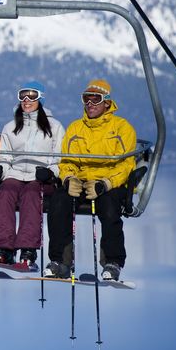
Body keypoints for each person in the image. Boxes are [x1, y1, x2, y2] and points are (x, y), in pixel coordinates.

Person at [44, 78, 137, 281]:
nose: (90, 104)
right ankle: (61, 261)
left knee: (110, 205)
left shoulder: (122, 128)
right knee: (59, 201)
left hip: (110, 183)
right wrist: (69, 178)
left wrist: (106, 183)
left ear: (107, 102)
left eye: (96, 99)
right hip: (83, 181)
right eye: (86, 99)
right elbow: (67, 160)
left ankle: (112, 262)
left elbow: (126, 164)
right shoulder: (76, 128)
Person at [0, 80, 65, 268]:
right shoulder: (11, 126)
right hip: (16, 173)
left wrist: (50, 173)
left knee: (31, 195)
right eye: (22, 95)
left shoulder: (54, 126)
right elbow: (5, 155)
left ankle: (27, 249)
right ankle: (3, 249)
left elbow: (59, 156)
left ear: (41, 98)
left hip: (39, 176)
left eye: (32, 96)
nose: (26, 100)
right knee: (5, 192)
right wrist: (1, 169)